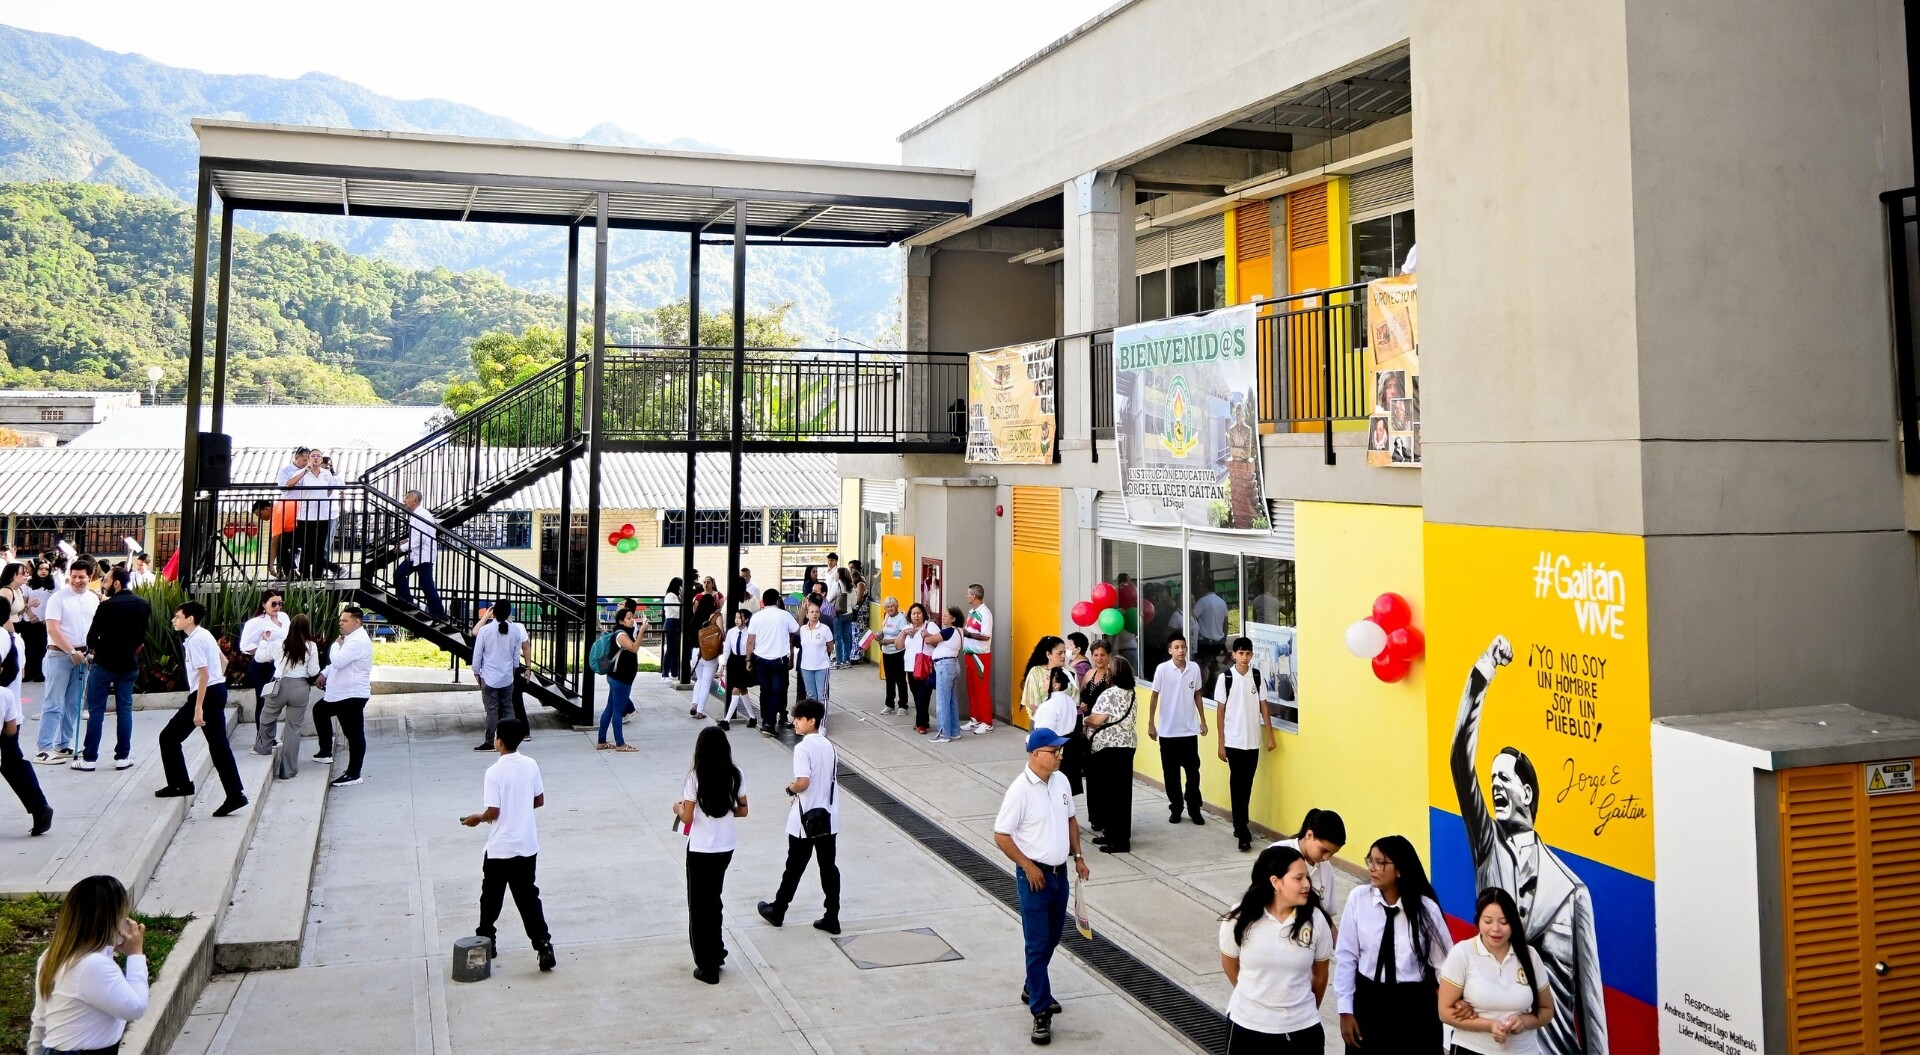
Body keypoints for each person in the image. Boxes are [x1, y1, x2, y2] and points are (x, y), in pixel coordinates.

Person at [1450, 636, 1607, 1055]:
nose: (1494, 784)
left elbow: (1591, 1007)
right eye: (1492, 778)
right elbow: (1460, 763)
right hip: (1491, 1043)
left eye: (1505, 779)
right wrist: (1483, 674)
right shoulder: (1488, 849)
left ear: (1528, 793)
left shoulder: (1573, 893)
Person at [992, 726, 1091, 1046]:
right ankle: (1040, 1011)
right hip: (1034, 879)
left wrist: (1077, 856)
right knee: (1036, 943)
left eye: (1061, 750)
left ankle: (1032, 985)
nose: (1060, 755)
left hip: (1060, 874)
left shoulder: (1061, 780)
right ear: (1036, 755)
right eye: (1054, 751)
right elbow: (1001, 835)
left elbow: (1071, 819)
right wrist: (1028, 866)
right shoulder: (1019, 791)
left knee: (1052, 938)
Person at [1334, 835, 1450, 1055]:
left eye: (1381, 863)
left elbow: (1444, 966)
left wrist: (1452, 1010)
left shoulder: (1426, 910)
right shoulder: (1359, 899)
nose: (1372, 868)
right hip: (1369, 1000)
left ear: (1400, 870)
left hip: (1413, 1005)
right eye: (1371, 860)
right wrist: (1345, 1010)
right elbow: (1347, 956)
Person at [460, 718, 556, 972]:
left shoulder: (494, 772)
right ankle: (543, 944)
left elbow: (493, 811)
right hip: (526, 844)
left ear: (499, 741)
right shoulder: (530, 764)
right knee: (528, 898)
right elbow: (539, 800)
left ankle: (486, 940)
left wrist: (476, 819)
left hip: (500, 848)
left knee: (491, 896)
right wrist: (521, 807)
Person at [1219, 845, 1333, 1054]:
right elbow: (1229, 962)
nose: (1307, 884)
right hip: (1247, 1027)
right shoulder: (1239, 918)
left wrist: (1301, 1010)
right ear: (1275, 882)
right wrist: (1256, 995)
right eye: (1298, 879)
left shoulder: (1316, 920)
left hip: (1303, 1029)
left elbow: (1320, 974)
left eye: (1307, 877)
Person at [28, 875, 148, 1054]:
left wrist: (34, 1050)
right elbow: (135, 1008)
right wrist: (136, 955)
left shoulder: (53, 956)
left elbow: (41, 1019)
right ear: (111, 920)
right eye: (123, 914)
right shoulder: (92, 965)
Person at [155, 601, 249, 815]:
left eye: (177, 616)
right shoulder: (203, 634)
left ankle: (181, 785)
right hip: (216, 691)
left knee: (168, 737)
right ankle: (234, 794)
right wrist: (218, 682)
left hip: (205, 695)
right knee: (218, 747)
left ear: (189, 619)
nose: (174, 620)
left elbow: (204, 674)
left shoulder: (196, 640)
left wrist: (198, 708)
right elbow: (223, 661)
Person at [757, 698, 841, 934]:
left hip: (806, 819)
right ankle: (832, 916)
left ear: (811, 721)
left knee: (794, 866)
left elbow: (803, 781)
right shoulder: (828, 745)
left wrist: (790, 788)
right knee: (828, 867)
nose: (795, 722)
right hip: (828, 815)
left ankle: (778, 910)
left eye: (799, 718)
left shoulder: (803, 748)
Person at [1439, 887, 1557, 1055]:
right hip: (1473, 1049)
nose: (1495, 929)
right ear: (1478, 920)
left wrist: (1523, 1021)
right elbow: (1445, 1013)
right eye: (1487, 921)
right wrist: (1489, 1025)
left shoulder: (1530, 955)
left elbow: (1547, 1011)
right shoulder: (1462, 953)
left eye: (1504, 922)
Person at [676, 725, 748, 984]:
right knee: (714, 900)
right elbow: (743, 810)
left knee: (698, 906)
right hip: (725, 846)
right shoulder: (735, 774)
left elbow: (687, 815)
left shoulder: (695, 777)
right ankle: (717, 952)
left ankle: (705, 965)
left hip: (701, 848)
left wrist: (677, 807)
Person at [76, 567, 147, 772]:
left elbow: (91, 638)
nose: (103, 584)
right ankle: (122, 757)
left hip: (104, 664)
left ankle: (89, 759)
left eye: (105, 581)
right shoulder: (143, 605)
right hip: (129, 664)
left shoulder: (107, 606)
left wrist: (97, 649)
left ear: (117, 583)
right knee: (125, 710)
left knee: (96, 711)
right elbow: (141, 637)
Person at [1215, 636, 1276, 852]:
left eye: (1248, 653)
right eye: (1240, 653)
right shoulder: (1226, 678)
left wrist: (1270, 734)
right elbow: (1220, 711)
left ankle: (1240, 824)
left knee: (1246, 785)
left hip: (1252, 742)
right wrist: (1221, 743)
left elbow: (1264, 706)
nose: (1244, 657)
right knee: (1237, 784)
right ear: (1233, 655)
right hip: (1233, 741)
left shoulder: (1257, 676)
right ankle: (1242, 830)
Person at [36, 559, 98, 763]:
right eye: (74, 577)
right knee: (53, 702)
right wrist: (71, 651)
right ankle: (43, 748)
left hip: (83, 656)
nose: (77, 581)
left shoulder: (92, 599)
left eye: (81, 577)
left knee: (74, 704)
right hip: (59, 655)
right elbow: (53, 628)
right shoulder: (58, 598)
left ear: (90, 576)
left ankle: (63, 744)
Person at [0, 599, 53, 835]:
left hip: (5, 707)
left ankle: (40, 807)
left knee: (12, 763)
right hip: (9, 711)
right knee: (12, 763)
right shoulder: (14, 638)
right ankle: (39, 807)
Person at [1147, 633, 1207, 825]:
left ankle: (1194, 808)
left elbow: (1197, 695)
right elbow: (1154, 696)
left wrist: (1202, 720)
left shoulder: (1194, 668)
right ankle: (1176, 807)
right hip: (1168, 732)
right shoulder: (1163, 670)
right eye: (1177, 647)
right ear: (1170, 650)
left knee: (1193, 772)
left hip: (1189, 731)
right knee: (1171, 775)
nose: (1181, 651)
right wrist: (1151, 723)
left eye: (1183, 647)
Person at [1081, 655, 1137, 853]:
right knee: (1121, 794)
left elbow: (1097, 720)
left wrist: (1085, 719)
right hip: (1127, 746)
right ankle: (1115, 835)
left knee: (1109, 795)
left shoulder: (1110, 694)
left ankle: (1117, 840)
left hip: (1108, 749)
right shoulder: (1131, 693)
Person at [314, 605, 373, 787]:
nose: (341, 623)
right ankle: (325, 752)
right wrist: (324, 673)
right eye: (341, 620)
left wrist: (334, 645)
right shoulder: (350, 638)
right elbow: (339, 664)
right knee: (320, 711)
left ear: (357, 622)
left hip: (351, 695)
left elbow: (338, 661)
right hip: (341, 694)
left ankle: (354, 773)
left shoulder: (356, 641)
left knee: (354, 734)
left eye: (345, 620)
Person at [256, 614, 319, 778]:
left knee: (267, 717)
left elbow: (259, 657)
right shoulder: (311, 646)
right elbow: (313, 671)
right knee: (293, 729)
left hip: (280, 687)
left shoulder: (279, 644)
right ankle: (288, 770)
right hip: (300, 688)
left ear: (290, 627)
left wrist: (263, 641)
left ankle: (264, 746)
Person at [1271, 809, 1349, 927]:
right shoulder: (1277, 853)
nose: (1326, 858)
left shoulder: (1326, 868)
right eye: (1324, 850)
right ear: (1309, 835)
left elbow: (1327, 914)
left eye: (1332, 854)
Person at [471, 603, 531, 752]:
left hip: (489, 676)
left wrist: (476, 672)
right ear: (509, 613)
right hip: (507, 676)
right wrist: (513, 671)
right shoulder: (516, 631)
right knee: (508, 709)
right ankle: (510, 741)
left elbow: (477, 654)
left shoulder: (485, 631)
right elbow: (516, 656)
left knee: (491, 710)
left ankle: (490, 741)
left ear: (493, 613)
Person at [745, 590, 799, 736]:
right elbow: (796, 630)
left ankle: (765, 721)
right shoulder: (784, 615)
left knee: (765, 690)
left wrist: (748, 659)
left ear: (763, 601)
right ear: (777, 601)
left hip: (760, 659)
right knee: (776, 691)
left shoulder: (756, 617)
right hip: (779, 660)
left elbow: (750, 640)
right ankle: (770, 723)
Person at [278, 447, 337, 578]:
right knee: (307, 546)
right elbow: (288, 484)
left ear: (321, 459)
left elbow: (330, 489)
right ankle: (304, 576)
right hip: (306, 516)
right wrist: (305, 470)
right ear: (309, 459)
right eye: (313, 456)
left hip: (322, 515)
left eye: (318, 456)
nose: (316, 458)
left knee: (320, 547)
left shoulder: (326, 473)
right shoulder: (302, 473)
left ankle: (317, 576)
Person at [239, 590, 288, 725]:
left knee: (276, 701)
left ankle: (270, 735)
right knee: (264, 700)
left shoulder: (283, 617)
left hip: (280, 664)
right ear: (263, 605)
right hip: (263, 665)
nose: (277, 607)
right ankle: (261, 737)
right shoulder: (255, 623)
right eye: (273, 604)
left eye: (280, 603)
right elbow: (245, 646)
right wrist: (264, 652)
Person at [397, 490, 447, 621]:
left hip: (424, 555)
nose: (404, 500)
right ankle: (407, 603)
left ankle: (439, 614)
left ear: (415, 500)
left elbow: (420, 538)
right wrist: (407, 541)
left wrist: (402, 548)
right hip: (418, 555)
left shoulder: (421, 515)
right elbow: (419, 536)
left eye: (407, 498)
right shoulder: (417, 514)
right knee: (400, 574)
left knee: (426, 584)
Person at [597, 609, 641, 751]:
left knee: (610, 709)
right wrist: (643, 631)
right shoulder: (621, 635)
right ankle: (620, 743)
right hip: (621, 678)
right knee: (617, 710)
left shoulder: (624, 633)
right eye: (629, 618)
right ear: (621, 621)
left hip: (618, 677)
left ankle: (601, 741)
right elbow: (634, 648)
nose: (632, 619)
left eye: (632, 617)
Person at [960, 584, 995, 734]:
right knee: (972, 689)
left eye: (968, 593)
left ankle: (987, 722)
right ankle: (975, 718)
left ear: (974, 596)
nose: (966, 596)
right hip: (969, 655)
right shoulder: (971, 612)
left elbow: (986, 635)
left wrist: (967, 634)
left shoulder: (985, 613)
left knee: (981, 690)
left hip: (980, 657)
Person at [928, 605, 965, 743]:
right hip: (953, 664)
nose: (943, 618)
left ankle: (944, 733)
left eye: (946, 616)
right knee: (952, 700)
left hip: (944, 665)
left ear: (953, 619)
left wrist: (927, 635)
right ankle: (955, 731)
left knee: (943, 700)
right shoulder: (959, 631)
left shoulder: (948, 631)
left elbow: (929, 640)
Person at [1019, 635, 1071, 727]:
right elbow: (1030, 700)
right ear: (1048, 654)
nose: (1063, 656)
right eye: (1059, 653)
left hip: (1063, 723)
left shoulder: (1069, 672)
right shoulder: (1035, 671)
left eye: (1064, 652)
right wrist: (1047, 716)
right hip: (1040, 721)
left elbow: (1074, 699)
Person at [720, 609, 757, 731]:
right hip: (734, 662)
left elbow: (753, 647)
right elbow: (727, 649)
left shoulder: (750, 633)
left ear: (745, 619)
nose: (736, 620)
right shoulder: (731, 632)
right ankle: (752, 717)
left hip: (745, 661)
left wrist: (750, 661)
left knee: (736, 690)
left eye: (739, 618)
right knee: (742, 690)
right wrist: (723, 664)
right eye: (735, 617)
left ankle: (726, 721)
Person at [902, 602, 935, 733]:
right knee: (916, 695)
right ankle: (924, 721)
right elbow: (898, 645)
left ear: (924, 614)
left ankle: (920, 724)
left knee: (923, 695)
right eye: (913, 613)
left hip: (924, 667)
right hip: (910, 667)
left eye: (919, 613)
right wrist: (903, 633)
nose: (916, 616)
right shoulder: (907, 628)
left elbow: (938, 642)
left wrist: (927, 636)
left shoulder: (930, 626)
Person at [796, 601, 833, 712]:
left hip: (821, 666)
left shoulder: (825, 629)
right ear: (807, 614)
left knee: (822, 695)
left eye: (817, 612)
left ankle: (822, 724)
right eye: (811, 612)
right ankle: (812, 722)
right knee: (811, 695)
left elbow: (830, 647)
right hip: (806, 667)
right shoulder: (803, 630)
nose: (814, 614)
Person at [17, 559, 51, 682]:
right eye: (41, 568)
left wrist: (47, 619)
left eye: (46, 569)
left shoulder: (54, 583)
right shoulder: (29, 583)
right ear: (36, 569)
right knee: (28, 648)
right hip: (29, 620)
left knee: (41, 648)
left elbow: (56, 602)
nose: (43, 571)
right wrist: (31, 615)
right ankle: (27, 674)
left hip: (44, 621)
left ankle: (39, 673)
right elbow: (24, 601)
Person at [691, 605, 724, 723]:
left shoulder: (695, 617)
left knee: (699, 680)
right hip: (709, 653)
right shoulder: (716, 617)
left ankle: (694, 704)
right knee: (705, 684)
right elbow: (721, 635)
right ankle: (699, 711)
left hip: (696, 653)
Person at [878, 597, 909, 714]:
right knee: (889, 679)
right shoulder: (886, 616)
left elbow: (903, 637)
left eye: (892, 606)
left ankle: (903, 705)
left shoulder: (901, 619)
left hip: (898, 652)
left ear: (897, 606)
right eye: (887, 606)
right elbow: (884, 631)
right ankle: (889, 704)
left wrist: (889, 642)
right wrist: (880, 636)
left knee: (900, 679)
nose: (890, 608)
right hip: (886, 652)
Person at [831, 566, 858, 668]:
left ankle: (839, 661)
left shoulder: (837, 585)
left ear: (839, 575)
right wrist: (849, 606)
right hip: (849, 614)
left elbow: (829, 598)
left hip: (839, 614)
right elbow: (855, 602)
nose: (835, 575)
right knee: (847, 637)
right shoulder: (851, 586)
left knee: (838, 638)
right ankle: (847, 660)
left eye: (836, 573)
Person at [660, 577, 685, 683]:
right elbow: (677, 608)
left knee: (675, 650)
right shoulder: (671, 596)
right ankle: (665, 674)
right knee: (670, 649)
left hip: (676, 622)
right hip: (671, 622)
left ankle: (674, 672)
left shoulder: (675, 596)